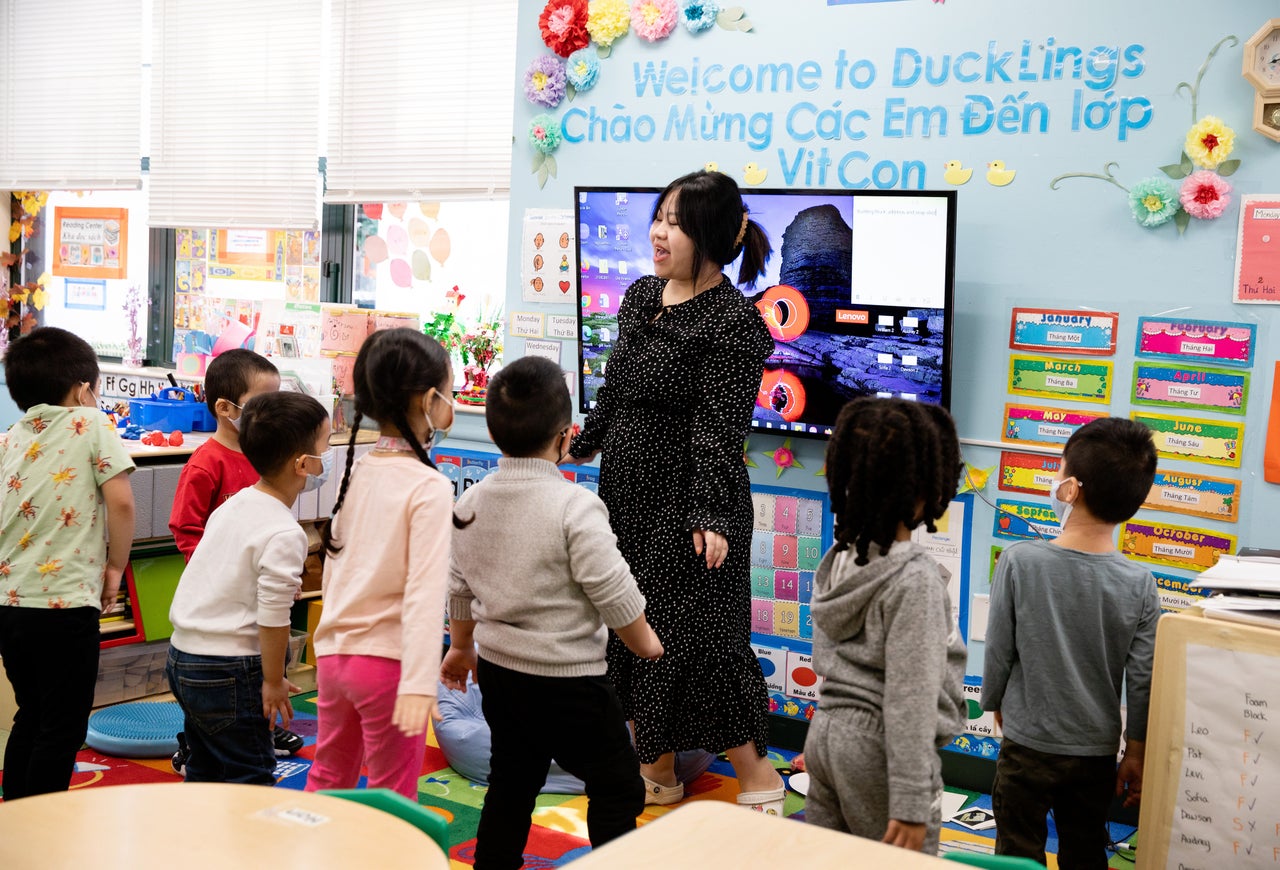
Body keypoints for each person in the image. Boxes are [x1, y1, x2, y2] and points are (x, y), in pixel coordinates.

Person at [568, 168, 784, 813]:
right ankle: (657, 771)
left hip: (690, 505)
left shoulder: (737, 325)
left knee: (698, 644)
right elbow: (616, 391)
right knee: (634, 634)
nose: (659, 232)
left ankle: (759, 782)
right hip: (625, 500)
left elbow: (719, 429)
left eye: (676, 222)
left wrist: (711, 514)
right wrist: (575, 446)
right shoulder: (639, 297)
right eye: (658, 217)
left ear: (710, 235)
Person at [441, 356, 664, 868]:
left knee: (512, 782)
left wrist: (459, 648)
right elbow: (613, 589)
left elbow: (458, 586)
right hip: (571, 681)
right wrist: (644, 642)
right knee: (617, 786)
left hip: (500, 675)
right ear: (567, 436)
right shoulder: (574, 505)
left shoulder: (471, 500)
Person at [982, 417, 1160, 868]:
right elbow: (1143, 680)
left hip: (1027, 744)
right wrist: (1134, 752)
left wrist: (995, 701)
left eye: (1059, 470)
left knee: (1018, 853)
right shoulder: (1140, 583)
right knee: (1085, 854)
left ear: (1070, 489)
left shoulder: (1020, 561)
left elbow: (999, 648)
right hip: (1096, 753)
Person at [802, 397, 967, 854]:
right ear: (924, 487)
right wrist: (912, 802)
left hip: (827, 733)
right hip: (880, 750)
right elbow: (910, 699)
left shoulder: (841, 556)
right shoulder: (913, 578)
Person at [304, 328, 455, 800]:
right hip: (388, 667)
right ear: (430, 401)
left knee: (329, 778)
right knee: (394, 797)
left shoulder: (360, 468)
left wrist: (331, 640)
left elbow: (337, 566)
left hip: (334, 657)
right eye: (450, 394)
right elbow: (426, 594)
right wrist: (418, 681)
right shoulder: (429, 487)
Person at [166, 391, 330, 784]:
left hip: (184, 657)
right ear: (302, 464)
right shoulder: (284, 532)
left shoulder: (236, 503)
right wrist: (272, 680)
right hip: (229, 667)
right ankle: (249, 845)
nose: (325, 459)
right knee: (250, 774)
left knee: (205, 765)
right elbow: (273, 618)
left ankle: (200, 843)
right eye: (324, 447)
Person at [0, 327, 136, 800]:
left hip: (9, 604)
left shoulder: (8, 438)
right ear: (84, 390)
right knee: (61, 727)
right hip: (64, 606)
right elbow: (120, 503)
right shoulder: (92, 424)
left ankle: (14, 817)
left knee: (30, 714)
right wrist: (115, 569)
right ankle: (44, 828)